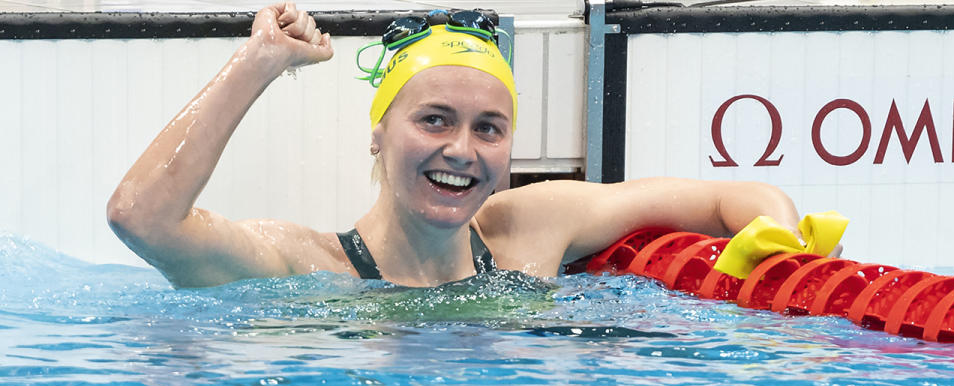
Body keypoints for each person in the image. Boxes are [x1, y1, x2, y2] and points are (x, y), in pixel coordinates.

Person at [107, 3, 801, 289]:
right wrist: (258, 62)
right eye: (434, 120)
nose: (462, 150)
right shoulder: (307, 267)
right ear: (378, 133)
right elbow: (141, 216)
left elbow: (731, 197)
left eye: (487, 129)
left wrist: (784, 241)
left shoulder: (532, 228)